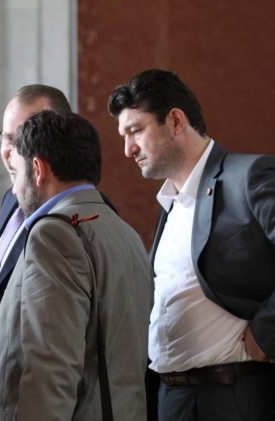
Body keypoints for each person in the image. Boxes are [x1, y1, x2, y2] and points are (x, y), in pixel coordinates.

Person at [108, 69, 275, 421]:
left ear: (175, 121)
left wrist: (266, 332)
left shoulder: (249, 177)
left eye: (135, 131)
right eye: (124, 136)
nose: (128, 149)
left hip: (233, 396)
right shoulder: (170, 206)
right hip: (170, 398)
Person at [0, 84, 117, 420]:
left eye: (24, 138)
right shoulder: (10, 201)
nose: (11, 151)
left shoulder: (77, 225)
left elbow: (54, 361)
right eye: (7, 138)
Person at [0, 110, 152, 420]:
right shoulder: (124, 232)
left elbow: (51, 369)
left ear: (38, 169)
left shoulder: (53, 235)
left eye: (16, 173)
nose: (15, 189)